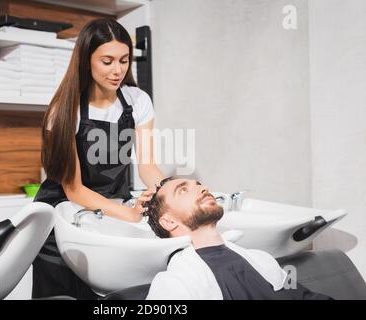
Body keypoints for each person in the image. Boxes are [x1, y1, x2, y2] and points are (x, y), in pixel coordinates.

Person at [32, 18, 165, 299]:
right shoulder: (65, 109)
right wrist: (127, 214)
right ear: (86, 60)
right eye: (107, 61)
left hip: (113, 207)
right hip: (65, 216)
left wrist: (170, 194)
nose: (118, 70)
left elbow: (148, 168)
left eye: (124, 60)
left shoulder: (138, 101)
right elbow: (74, 189)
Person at [144, 177, 333, 300]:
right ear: (168, 221)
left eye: (198, 184)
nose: (203, 188)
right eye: (183, 190)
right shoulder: (174, 284)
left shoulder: (261, 260)